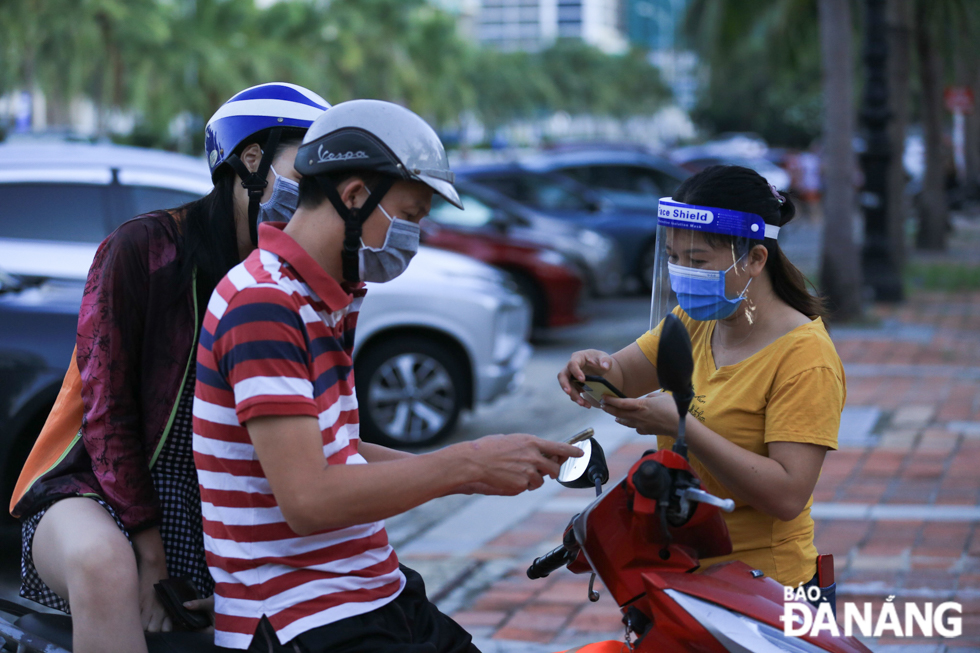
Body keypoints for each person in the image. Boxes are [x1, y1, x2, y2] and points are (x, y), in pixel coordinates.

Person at [193, 99, 582, 652]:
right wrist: (463, 464)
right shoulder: (263, 303)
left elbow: (339, 453)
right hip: (299, 613)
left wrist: (483, 466)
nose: (416, 235)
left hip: (369, 592)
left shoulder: (323, 298)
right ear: (354, 196)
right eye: (412, 214)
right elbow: (308, 499)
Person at [9, 82, 330, 653]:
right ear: (250, 160)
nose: (311, 202)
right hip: (94, 489)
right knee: (104, 566)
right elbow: (107, 413)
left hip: (215, 498)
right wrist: (151, 557)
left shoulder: (300, 275)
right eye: (303, 176)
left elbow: (310, 438)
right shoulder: (144, 248)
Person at [558, 165, 843, 607]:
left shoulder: (805, 358)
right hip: (685, 577)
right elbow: (623, 375)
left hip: (769, 592)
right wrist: (590, 367)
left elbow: (787, 494)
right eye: (673, 257)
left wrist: (682, 423)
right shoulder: (695, 321)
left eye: (697, 261)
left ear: (755, 259)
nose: (681, 271)